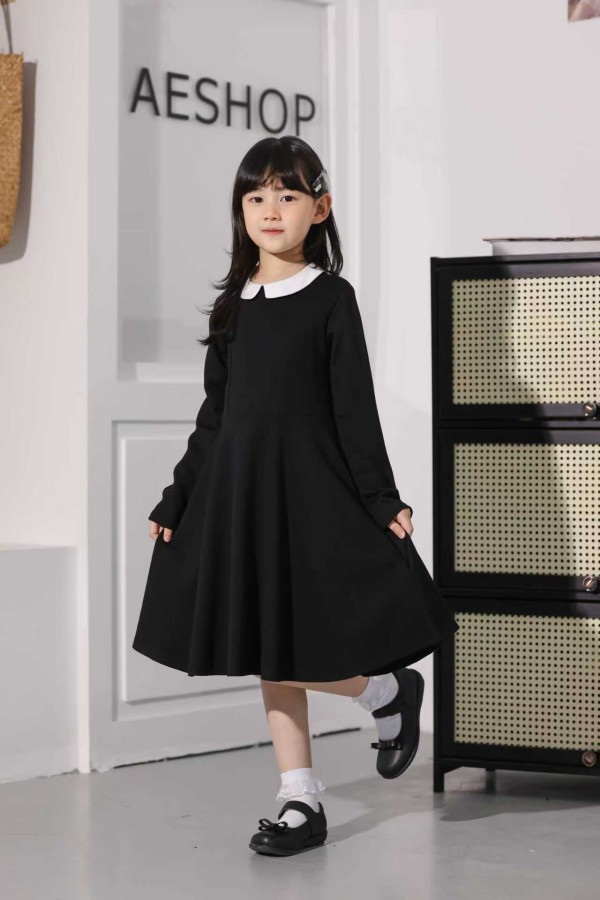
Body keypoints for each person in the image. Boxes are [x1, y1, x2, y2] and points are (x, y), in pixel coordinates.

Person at [132, 135, 458, 857]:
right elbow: (215, 417)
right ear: (240, 210)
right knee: (264, 648)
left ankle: (385, 692)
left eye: (287, 195)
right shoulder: (233, 307)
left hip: (309, 495)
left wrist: (381, 497)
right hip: (242, 497)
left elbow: (354, 408)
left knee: (288, 647)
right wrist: (178, 497)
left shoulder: (331, 300)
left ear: (321, 207)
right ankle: (301, 796)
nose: (270, 209)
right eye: (256, 196)